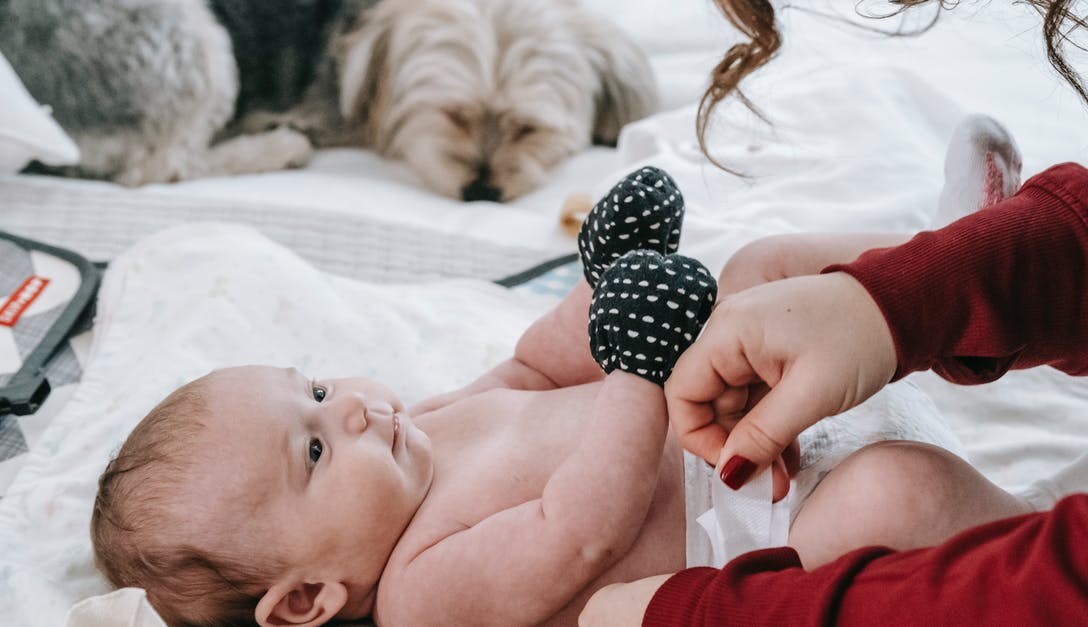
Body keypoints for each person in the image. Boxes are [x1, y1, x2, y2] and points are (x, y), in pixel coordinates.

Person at [88, 165, 1026, 627]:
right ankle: (1072, 543)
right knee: (896, 490)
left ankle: (961, 259)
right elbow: (582, 524)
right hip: (762, 516)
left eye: (319, 389)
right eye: (316, 451)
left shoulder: (424, 427)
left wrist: (607, 277)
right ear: (306, 600)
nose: (352, 410)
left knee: (762, 268)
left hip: (743, 398)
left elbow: (534, 368)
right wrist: (637, 359)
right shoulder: (424, 589)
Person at [579, 0, 1088, 624]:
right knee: (768, 294)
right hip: (754, 506)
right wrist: (890, 300)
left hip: (746, 500)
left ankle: (1029, 523)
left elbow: (582, 531)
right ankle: (1028, 514)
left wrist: (707, 616)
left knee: (893, 489)